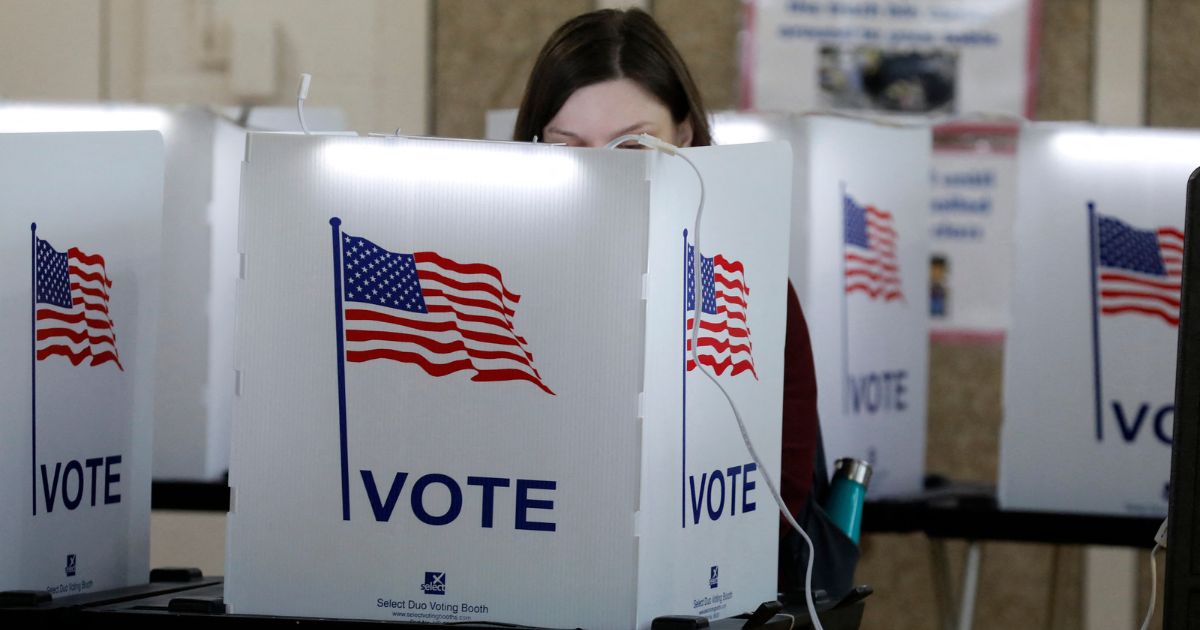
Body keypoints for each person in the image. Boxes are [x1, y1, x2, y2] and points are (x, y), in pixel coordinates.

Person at [513, 8, 857, 599]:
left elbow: (774, 506)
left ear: (685, 138)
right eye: (571, 146)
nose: (604, 174)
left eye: (633, 145)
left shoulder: (747, 289)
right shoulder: (502, 275)